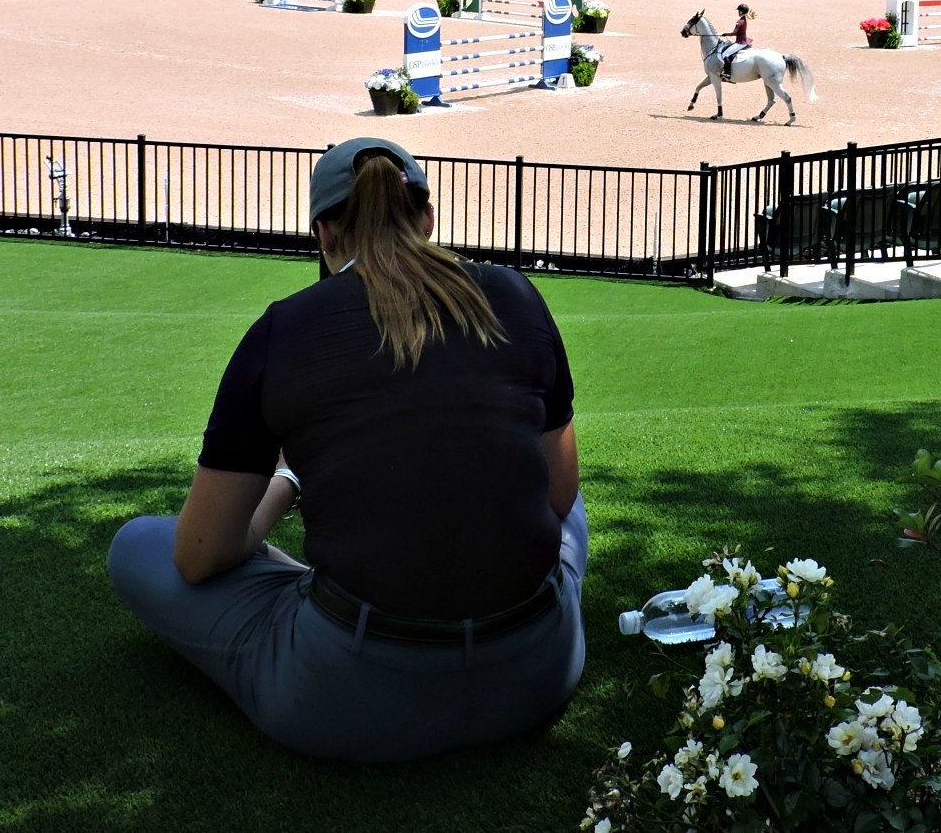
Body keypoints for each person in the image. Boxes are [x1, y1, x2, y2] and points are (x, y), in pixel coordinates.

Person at [107, 138, 585, 763]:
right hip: (538, 670)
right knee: (570, 513)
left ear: (324, 236)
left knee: (136, 546)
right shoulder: (515, 294)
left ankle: (320, 590)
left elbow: (200, 555)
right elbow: (557, 495)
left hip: (351, 697)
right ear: (427, 218)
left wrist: (290, 481)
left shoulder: (283, 329)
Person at [718, 3, 754, 81]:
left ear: (741, 12)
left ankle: (728, 73)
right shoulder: (744, 19)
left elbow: (734, 33)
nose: (738, 12)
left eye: (739, 11)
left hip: (740, 43)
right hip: (743, 40)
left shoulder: (740, 21)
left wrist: (725, 34)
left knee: (725, 54)